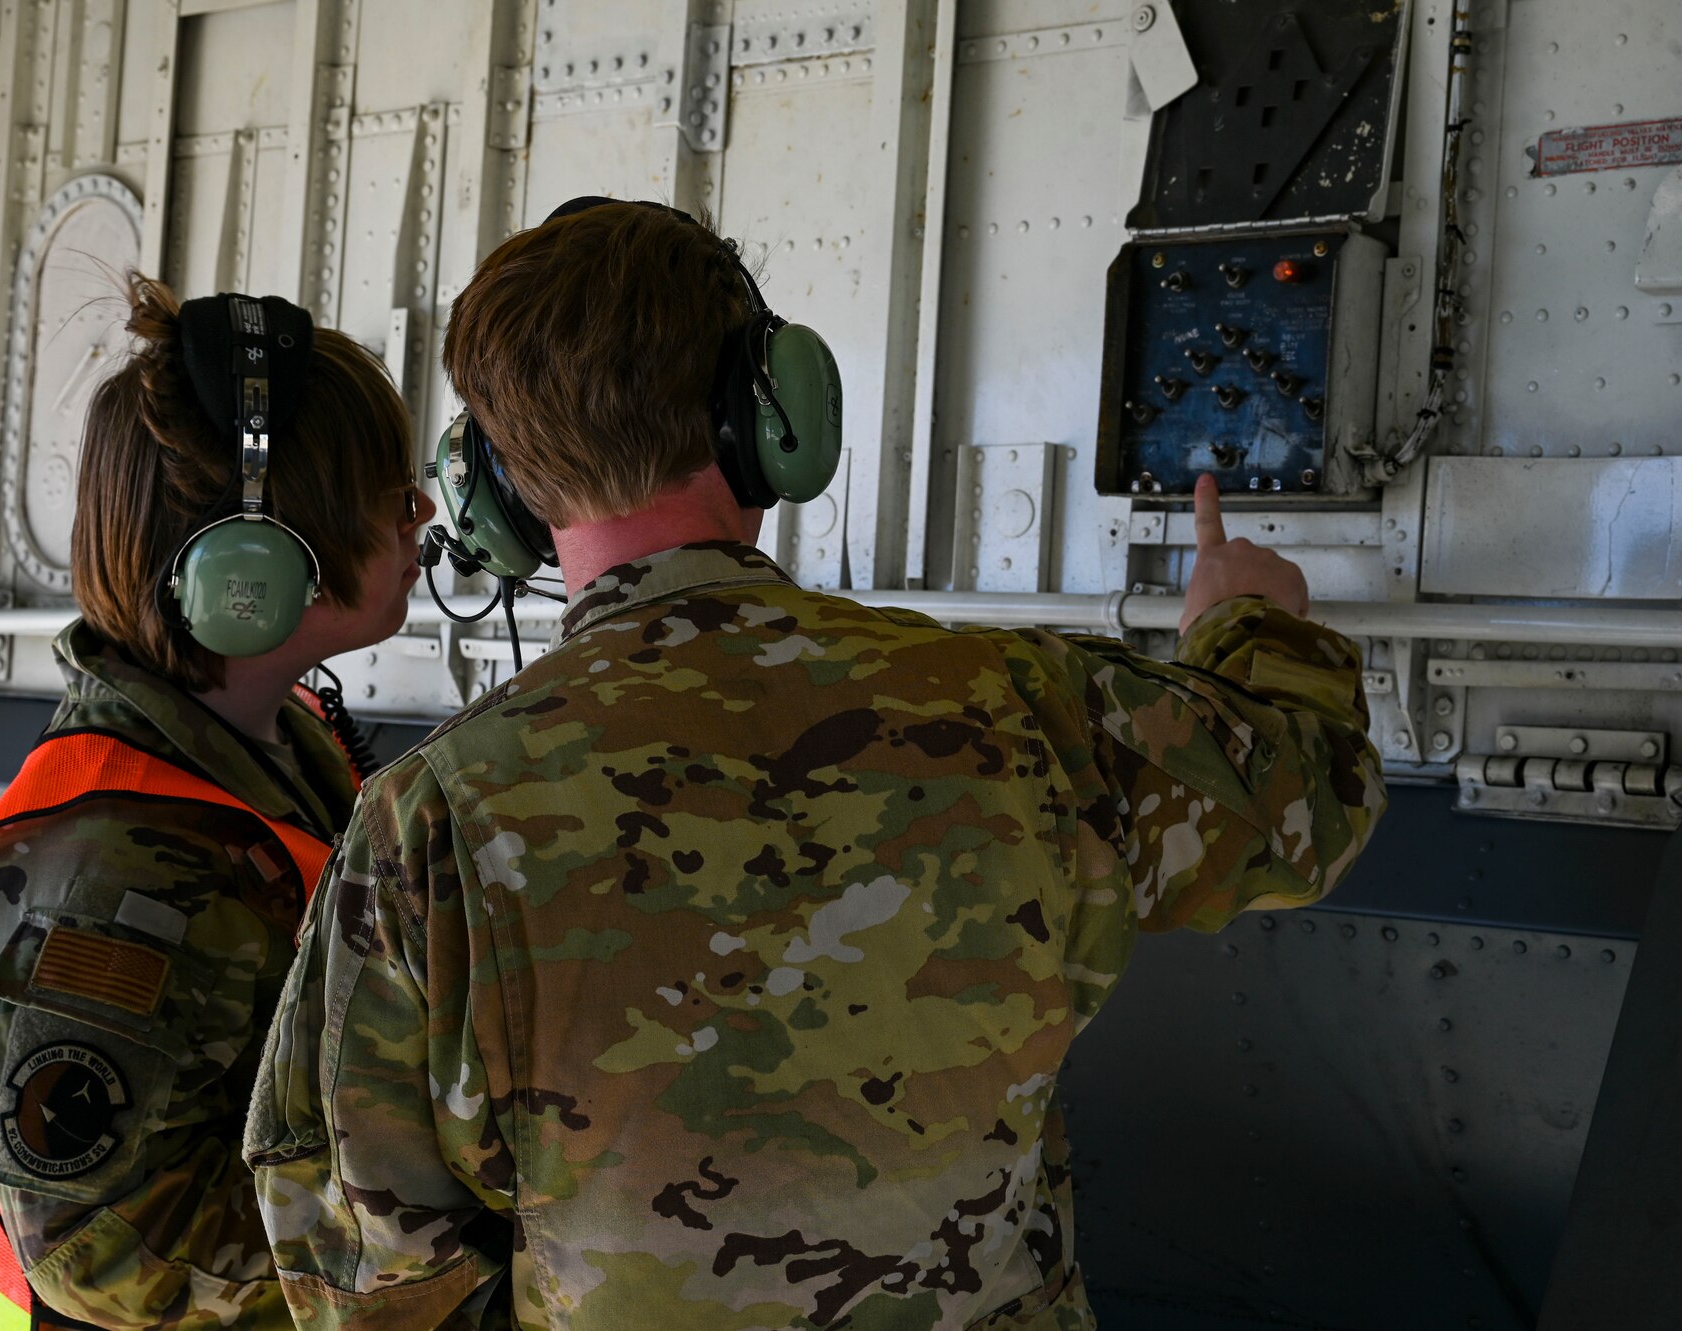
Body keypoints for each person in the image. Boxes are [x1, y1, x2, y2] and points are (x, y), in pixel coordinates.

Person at [246, 201, 1386, 1329]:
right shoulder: (1023, 705)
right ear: (771, 411)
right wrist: (1249, 626)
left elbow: (364, 1272)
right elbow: (1303, 803)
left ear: (496, 487)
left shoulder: (425, 823)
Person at [0, 274, 430, 1331]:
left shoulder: (267, 752)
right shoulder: (119, 864)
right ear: (245, 568)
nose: (417, 510)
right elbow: (100, 1244)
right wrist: (429, 1242)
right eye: (379, 488)